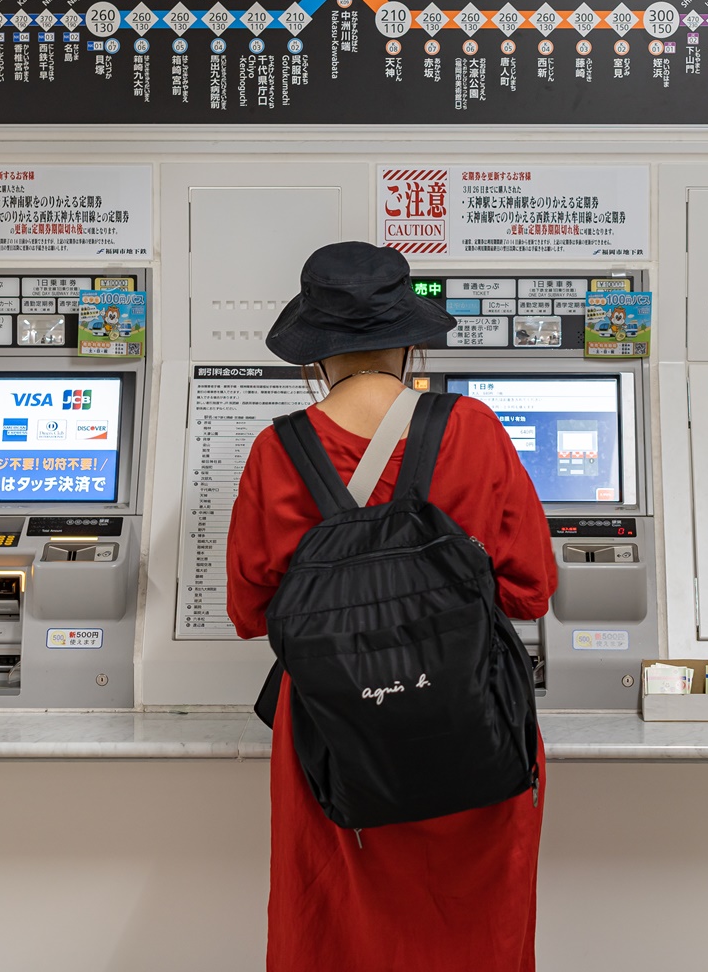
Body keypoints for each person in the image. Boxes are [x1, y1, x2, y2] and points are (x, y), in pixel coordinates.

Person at [226, 241, 558, 972]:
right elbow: (532, 587)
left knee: (337, 931)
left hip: (335, 734)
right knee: (476, 933)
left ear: (316, 353)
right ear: (410, 342)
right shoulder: (473, 429)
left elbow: (251, 613)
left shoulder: (276, 451)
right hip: (472, 720)